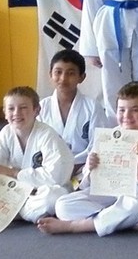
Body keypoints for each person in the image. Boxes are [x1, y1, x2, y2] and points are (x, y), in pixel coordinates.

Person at [37, 82, 138, 236]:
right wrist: (90, 167)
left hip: (136, 197)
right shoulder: (108, 137)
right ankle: (125, 222)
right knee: (62, 205)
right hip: (109, 195)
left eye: (135, 110)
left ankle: (75, 226)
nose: (127, 116)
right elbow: (88, 185)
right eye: (121, 110)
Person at [0, 87, 74, 223]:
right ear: (4, 112)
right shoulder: (6, 133)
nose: (17, 113)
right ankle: (26, 214)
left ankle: (7, 212)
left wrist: (14, 173)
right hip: (13, 191)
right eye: (11, 109)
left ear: (36, 111)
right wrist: (6, 181)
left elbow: (56, 177)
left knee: (53, 197)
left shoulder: (47, 135)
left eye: (23, 108)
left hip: (38, 192)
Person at [38, 49, 105, 178]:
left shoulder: (92, 107)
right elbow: (36, 145)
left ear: (82, 77)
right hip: (49, 169)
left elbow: (99, 145)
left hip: (83, 169)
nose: (63, 79)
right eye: (58, 72)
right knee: (47, 196)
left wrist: (78, 168)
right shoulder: (41, 108)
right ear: (50, 75)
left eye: (71, 73)